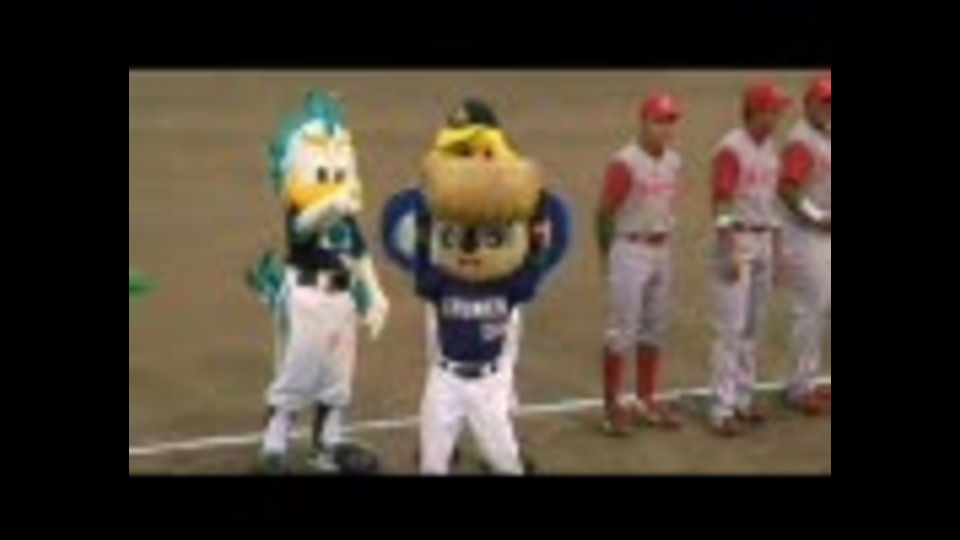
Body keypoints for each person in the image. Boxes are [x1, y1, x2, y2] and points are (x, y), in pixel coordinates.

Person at [595, 92, 685, 436]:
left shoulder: (674, 161)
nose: (666, 128)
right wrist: (607, 256)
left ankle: (646, 400)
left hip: (662, 249)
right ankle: (611, 409)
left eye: (671, 121)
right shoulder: (625, 162)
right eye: (659, 121)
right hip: (629, 249)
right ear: (644, 122)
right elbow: (604, 213)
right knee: (621, 332)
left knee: (654, 328)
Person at [707, 82, 791, 437]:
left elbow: (773, 205)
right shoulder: (731, 149)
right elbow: (721, 202)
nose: (778, 116)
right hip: (738, 240)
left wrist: (778, 251)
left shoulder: (771, 149)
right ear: (755, 111)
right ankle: (722, 409)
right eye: (773, 110)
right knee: (730, 329)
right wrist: (728, 248)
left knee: (753, 327)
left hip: (763, 240)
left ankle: (743, 398)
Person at [778, 74, 831, 415]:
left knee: (822, 309)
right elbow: (787, 188)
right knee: (810, 310)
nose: (828, 107)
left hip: (823, 235)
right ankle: (798, 388)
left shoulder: (825, 135)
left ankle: (808, 380)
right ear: (808, 103)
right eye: (823, 101)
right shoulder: (802, 141)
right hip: (805, 236)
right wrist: (817, 216)